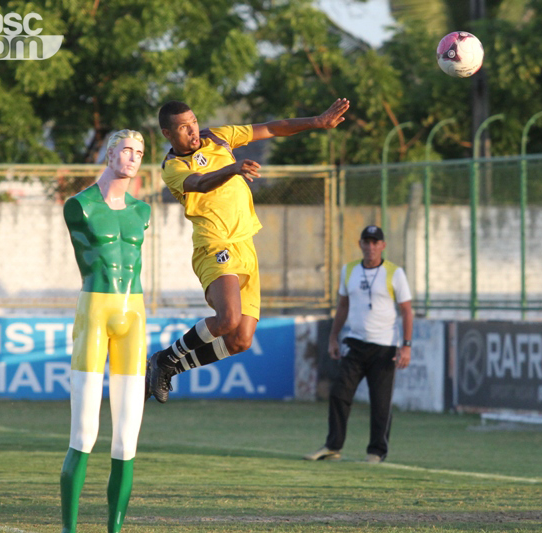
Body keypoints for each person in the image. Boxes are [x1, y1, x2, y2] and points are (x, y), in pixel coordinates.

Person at [146, 98, 350, 403]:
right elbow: (200, 184)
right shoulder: (174, 167)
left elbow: (270, 128)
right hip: (214, 243)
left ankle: (171, 366)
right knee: (227, 319)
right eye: (184, 127)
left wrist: (317, 122)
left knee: (240, 339)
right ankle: (164, 358)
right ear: (167, 133)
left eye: (194, 122)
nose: (193, 130)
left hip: (246, 245)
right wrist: (233, 168)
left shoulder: (218, 136)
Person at [60, 130, 150, 533]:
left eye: (140, 153)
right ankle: (70, 528)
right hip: (94, 311)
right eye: (127, 150)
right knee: (85, 434)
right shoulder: (78, 205)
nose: (133, 158)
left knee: (127, 439)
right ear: (110, 153)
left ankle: (115, 529)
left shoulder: (142, 212)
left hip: (134, 315)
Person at [304, 225, 413, 463]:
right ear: (360, 244)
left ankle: (376, 451)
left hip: (384, 347)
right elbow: (342, 306)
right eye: (367, 241)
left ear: (383, 246)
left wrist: (406, 345)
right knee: (339, 394)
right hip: (354, 343)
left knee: (380, 402)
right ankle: (333, 447)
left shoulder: (395, 273)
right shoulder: (349, 270)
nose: (371, 247)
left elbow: (406, 310)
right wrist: (334, 337)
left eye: (376, 242)